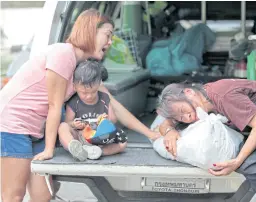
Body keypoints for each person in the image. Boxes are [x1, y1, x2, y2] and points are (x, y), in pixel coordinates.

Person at [0, 9, 159, 202]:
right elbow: (54, 105)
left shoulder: (83, 68)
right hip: (13, 123)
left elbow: (114, 105)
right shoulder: (63, 54)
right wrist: (50, 149)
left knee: (43, 195)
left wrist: (150, 134)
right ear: (91, 31)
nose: (110, 42)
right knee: (14, 195)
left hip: (37, 128)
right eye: (107, 35)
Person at [156, 79, 256, 202]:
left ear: (188, 92)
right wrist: (170, 130)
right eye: (181, 118)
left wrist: (237, 160)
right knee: (252, 168)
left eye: (183, 111)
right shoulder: (199, 106)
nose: (187, 118)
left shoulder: (223, 95)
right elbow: (164, 124)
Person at [58, 60, 128, 161]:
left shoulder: (104, 98)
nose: (89, 96)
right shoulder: (74, 102)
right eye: (84, 93)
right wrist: (74, 124)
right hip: (80, 137)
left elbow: (113, 120)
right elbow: (68, 123)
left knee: (122, 144)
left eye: (93, 91)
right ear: (75, 87)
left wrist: (104, 121)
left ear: (99, 85)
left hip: (100, 137)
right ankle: (74, 148)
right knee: (62, 127)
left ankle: (97, 152)